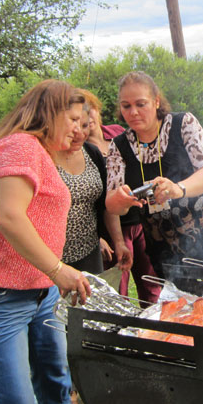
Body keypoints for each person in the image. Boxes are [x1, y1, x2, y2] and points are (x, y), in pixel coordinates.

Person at [0, 79, 93, 404]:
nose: (79, 128)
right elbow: (9, 216)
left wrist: (51, 277)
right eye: (73, 119)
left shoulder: (41, 152)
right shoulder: (21, 146)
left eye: (82, 121)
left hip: (40, 293)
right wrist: (59, 269)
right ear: (48, 112)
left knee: (54, 384)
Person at [105, 70, 203, 279]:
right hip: (164, 248)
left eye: (141, 104)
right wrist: (120, 200)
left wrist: (177, 189)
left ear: (156, 102)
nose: (133, 112)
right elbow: (112, 205)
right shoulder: (118, 146)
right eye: (126, 106)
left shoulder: (183, 123)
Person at [52, 101, 132, 404]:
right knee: (57, 327)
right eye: (75, 126)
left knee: (90, 321)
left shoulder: (93, 154)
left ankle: (97, 384)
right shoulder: (44, 156)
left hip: (88, 254)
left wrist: (116, 240)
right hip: (53, 258)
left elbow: (104, 205)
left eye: (86, 127)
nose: (80, 133)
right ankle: (65, 391)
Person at [83, 89, 161, 306]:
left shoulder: (118, 134)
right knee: (118, 288)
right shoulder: (79, 149)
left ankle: (156, 330)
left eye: (90, 110)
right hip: (112, 227)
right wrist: (98, 237)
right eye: (81, 113)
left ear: (98, 111)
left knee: (151, 282)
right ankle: (121, 333)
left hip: (142, 219)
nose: (87, 117)